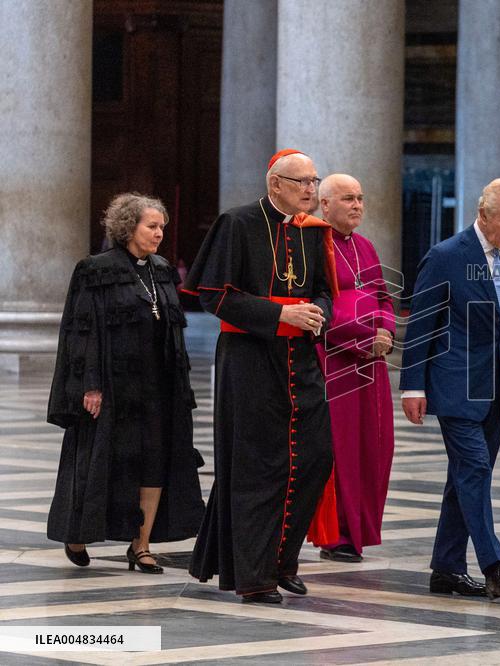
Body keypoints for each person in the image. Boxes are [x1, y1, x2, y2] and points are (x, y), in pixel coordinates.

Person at [184, 149, 337, 604]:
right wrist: (279, 314)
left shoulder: (313, 232)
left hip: (300, 361)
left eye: (314, 181)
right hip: (250, 361)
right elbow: (213, 295)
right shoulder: (238, 223)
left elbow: (325, 291)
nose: (312, 189)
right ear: (276, 185)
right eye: (302, 182)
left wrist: (317, 315)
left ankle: (282, 559)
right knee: (258, 469)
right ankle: (254, 576)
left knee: (315, 458)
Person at [47, 193, 205, 573]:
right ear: (127, 227)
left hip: (157, 386)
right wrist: (90, 384)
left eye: (162, 227)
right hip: (112, 386)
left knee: (154, 461)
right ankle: (77, 532)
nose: (159, 234)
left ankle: (142, 544)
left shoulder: (162, 269)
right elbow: (80, 332)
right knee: (98, 459)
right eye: (151, 226)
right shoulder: (94, 269)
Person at [400, 178, 500, 600]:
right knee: (474, 468)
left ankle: (447, 568)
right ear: (482, 214)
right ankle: (495, 565)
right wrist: (411, 387)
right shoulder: (445, 257)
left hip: (495, 385)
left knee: (466, 478)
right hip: (455, 382)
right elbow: (421, 326)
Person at [307, 174, 395, 563]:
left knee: (373, 446)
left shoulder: (365, 246)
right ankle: (337, 534)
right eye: (348, 198)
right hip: (335, 362)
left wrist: (387, 332)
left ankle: (360, 529)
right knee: (341, 448)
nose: (358, 205)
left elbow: (383, 298)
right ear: (325, 205)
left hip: (371, 365)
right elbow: (319, 308)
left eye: (360, 198)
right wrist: (364, 336)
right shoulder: (312, 247)